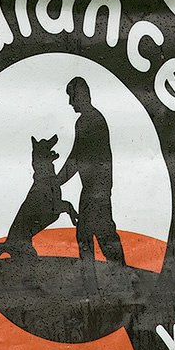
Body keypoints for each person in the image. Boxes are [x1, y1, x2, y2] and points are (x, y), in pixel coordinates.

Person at [56, 76, 125, 265]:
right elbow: (77, 158)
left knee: (91, 236)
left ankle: (100, 286)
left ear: (82, 96)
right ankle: (123, 279)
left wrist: (55, 181)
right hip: (95, 189)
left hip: (96, 190)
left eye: (72, 97)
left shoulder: (89, 121)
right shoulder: (90, 119)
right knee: (100, 236)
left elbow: (76, 159)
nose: (70, 103)